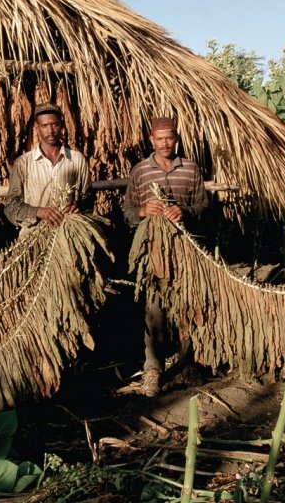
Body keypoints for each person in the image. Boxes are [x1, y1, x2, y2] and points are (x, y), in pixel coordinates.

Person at [123, 116, 209, 396]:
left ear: (176, 138)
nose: (165, 143)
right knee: (155, 308)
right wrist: (143, 212)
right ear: (151, 140)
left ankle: (187, 365)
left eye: (169, 137)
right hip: (154, 252)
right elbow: (126, 212)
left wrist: (185, 211)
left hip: (186, 250)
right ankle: (153, 370)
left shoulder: (191, 170)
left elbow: (204, 207)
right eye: (159, 138)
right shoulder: (140, 171)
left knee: (188, 305)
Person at [3, 103, 92, 233]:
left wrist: (78, 206)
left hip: (69, 234)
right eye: (44, 126)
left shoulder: (77, 160)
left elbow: (89, 198)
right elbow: (11, 206)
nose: (50, 130)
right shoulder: (23, 163)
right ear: (37, 128)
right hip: (34, 236)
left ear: (61, 126)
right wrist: (38, 212)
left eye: (54, 124)